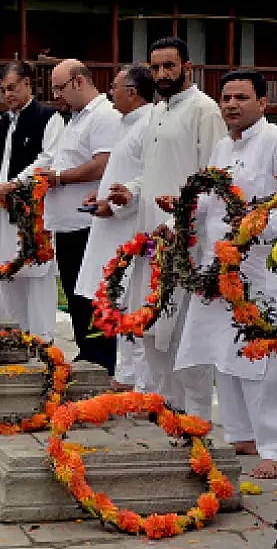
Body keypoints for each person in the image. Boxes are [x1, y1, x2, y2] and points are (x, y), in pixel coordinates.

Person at [172, 70, 277, 478]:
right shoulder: (221, 147)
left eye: (241, 97)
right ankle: (242, 434)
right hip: (217, 267)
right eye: (226, 97)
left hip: (261, 269)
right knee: (223, 353)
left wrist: (251, 229)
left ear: (262, 103)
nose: (231, 104)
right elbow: (211, 205)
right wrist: (183, 214)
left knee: (263, 361)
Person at [108, 36, 225, 419]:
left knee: (184, 331)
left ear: (186, 67)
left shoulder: (204, 111)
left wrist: (186, 221)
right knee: (151, 325)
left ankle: (195, 416)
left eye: (169, 66)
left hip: (186, 240)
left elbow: (215, 177)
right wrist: (132, 191)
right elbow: (154, 172)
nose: (162, 74)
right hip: (149, 237)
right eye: (156, 67)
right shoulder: (156, 111)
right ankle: (164, 405)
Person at [76, 65, 155, 390]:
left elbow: (148, 176)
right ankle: (125, 376)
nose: (110, 93)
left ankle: (140, 383)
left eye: (115, 87)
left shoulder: (149, 123)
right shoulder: (126, 124)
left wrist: (119, 202)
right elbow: (123, 171)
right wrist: (104, 192)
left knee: (132, 302)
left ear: (133, 92)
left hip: (130, 229)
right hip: (112, 227)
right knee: (117, 300)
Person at [38, 59, 121, 367]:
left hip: (88, 221)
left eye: (60, 88)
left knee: (92, 294)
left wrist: (59, 178)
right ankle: (88, 351)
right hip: (67, 222)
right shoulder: (73, 118)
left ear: (79, 82)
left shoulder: (103, 115)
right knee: (75, 292)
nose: (56, 95)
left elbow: (102, 165)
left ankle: (102, 358)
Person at [0, 62, 58, 340]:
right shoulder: (3, 121)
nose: (7, 94)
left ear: (28, 84)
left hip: (32, 210)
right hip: (2, 210)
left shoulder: (48, 117)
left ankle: (43, 338)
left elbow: (47, 159)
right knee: (10, 271)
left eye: (12, 87)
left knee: (37, 275)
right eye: (3, 90)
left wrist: (16, 183)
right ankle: (21, 332)